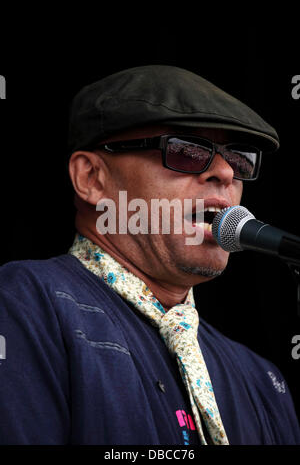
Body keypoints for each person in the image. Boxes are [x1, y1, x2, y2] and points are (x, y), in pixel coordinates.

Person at [0, 65, 299, 445]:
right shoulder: (23, 304)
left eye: (240, 160)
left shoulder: (262, 380)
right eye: (187, 151)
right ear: (91, 178)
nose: (225, 172)